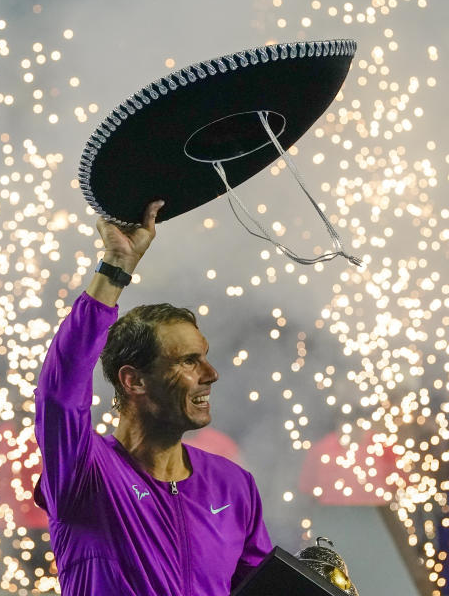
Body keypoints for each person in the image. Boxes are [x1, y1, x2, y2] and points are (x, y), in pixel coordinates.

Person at [33, 200, 272, 595]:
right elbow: (60, 394)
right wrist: (115, 266)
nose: (211, 375)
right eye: (188, 362)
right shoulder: (84, 474)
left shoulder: (233, 487)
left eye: (205, 359)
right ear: (134, 381)